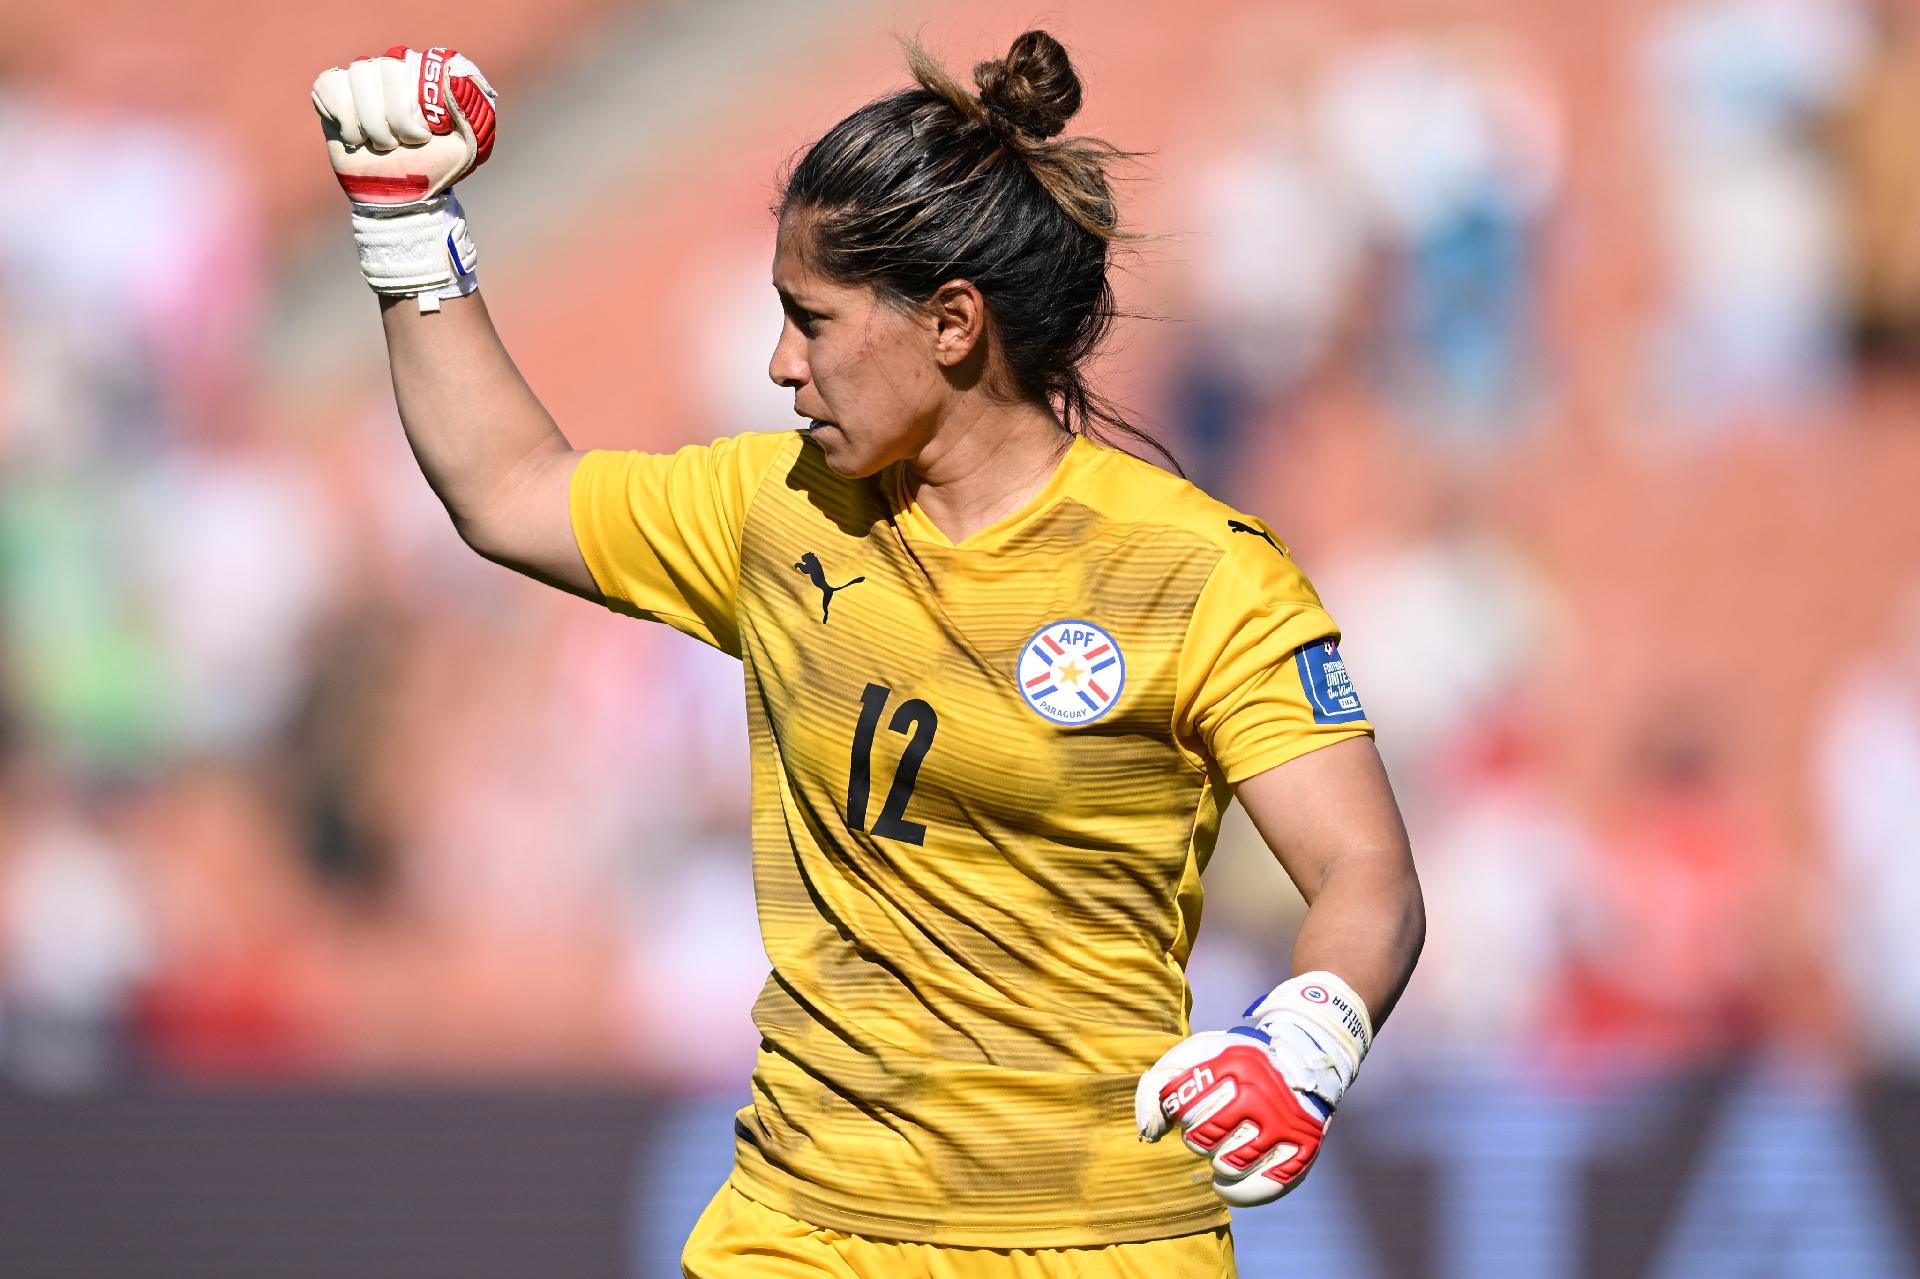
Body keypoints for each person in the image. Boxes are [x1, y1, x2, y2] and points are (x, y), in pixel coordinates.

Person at [310, 31, 1424, 1278]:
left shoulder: (1200, 571)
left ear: (950, 324)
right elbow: (508, 486)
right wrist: (405, 223)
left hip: (1098, 1240)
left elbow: (1364, 867)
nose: (780, 361)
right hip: (802, 1233)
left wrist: (1307, 1038)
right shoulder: (775, 510)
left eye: (811, 321)